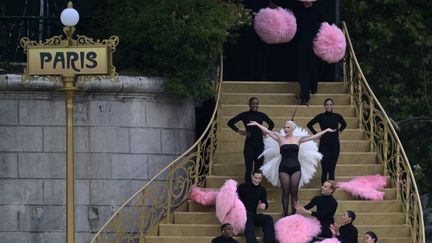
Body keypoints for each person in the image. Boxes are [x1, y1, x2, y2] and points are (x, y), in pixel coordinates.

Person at [247, 120, 336, 216]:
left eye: (288, 127)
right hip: (283, 168)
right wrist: (257, 124)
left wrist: (326, 130)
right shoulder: (280, 138)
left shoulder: (298, 139)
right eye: (285, 127)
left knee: (294, 192)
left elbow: (314, 137)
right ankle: (285, 214)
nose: (285, 129)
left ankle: (294, 214)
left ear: (293, 128)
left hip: (296, 168)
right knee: (285, 192)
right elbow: (268, 132)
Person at [286, 0, 325, 105]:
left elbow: (323, 28)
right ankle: (304, 96)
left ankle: (313, 87)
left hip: (314, 42)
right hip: (301, 43)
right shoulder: (297, 12)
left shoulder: (318, 13)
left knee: (312, 66)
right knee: (302, 68)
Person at [227, 97, 274, 183]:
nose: (255, 105)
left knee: (258, 169)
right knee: (248, 168)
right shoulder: (244, 115)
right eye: (253, 103)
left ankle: (256, 187)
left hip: (260, 145)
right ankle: (247, 187)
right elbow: (230, 123)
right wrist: (240, 131)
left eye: (256, 104)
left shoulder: (261, 115)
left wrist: (265, 132)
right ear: (249, 104)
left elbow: (271, 124)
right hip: (249, 145)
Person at [307, 98, 347, 185]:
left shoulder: (337, 116)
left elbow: (344, 124)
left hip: (335, 145)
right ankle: (324, 188)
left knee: (332, 168)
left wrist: (339, 131)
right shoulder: (321, 116)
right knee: (325, 168)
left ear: (333, 106)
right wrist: (317, 134)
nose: (329, 106)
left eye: (331, 104)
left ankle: (331, 190)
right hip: (324, 145)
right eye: (327, 104)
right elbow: (309, 124)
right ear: (324, 106)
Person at [237, 169, 275, 243]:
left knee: (268, 219)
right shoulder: (242, 187)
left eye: (259, 178)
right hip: (243, 214)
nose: (257, 180)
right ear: (252, 176)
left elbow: (265, 203)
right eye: (255, 178)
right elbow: (235, 198)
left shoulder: (262, 190)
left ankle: (269, 241)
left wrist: (264, 205)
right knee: (247, 219)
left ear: (261, 179)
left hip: (254, 214)